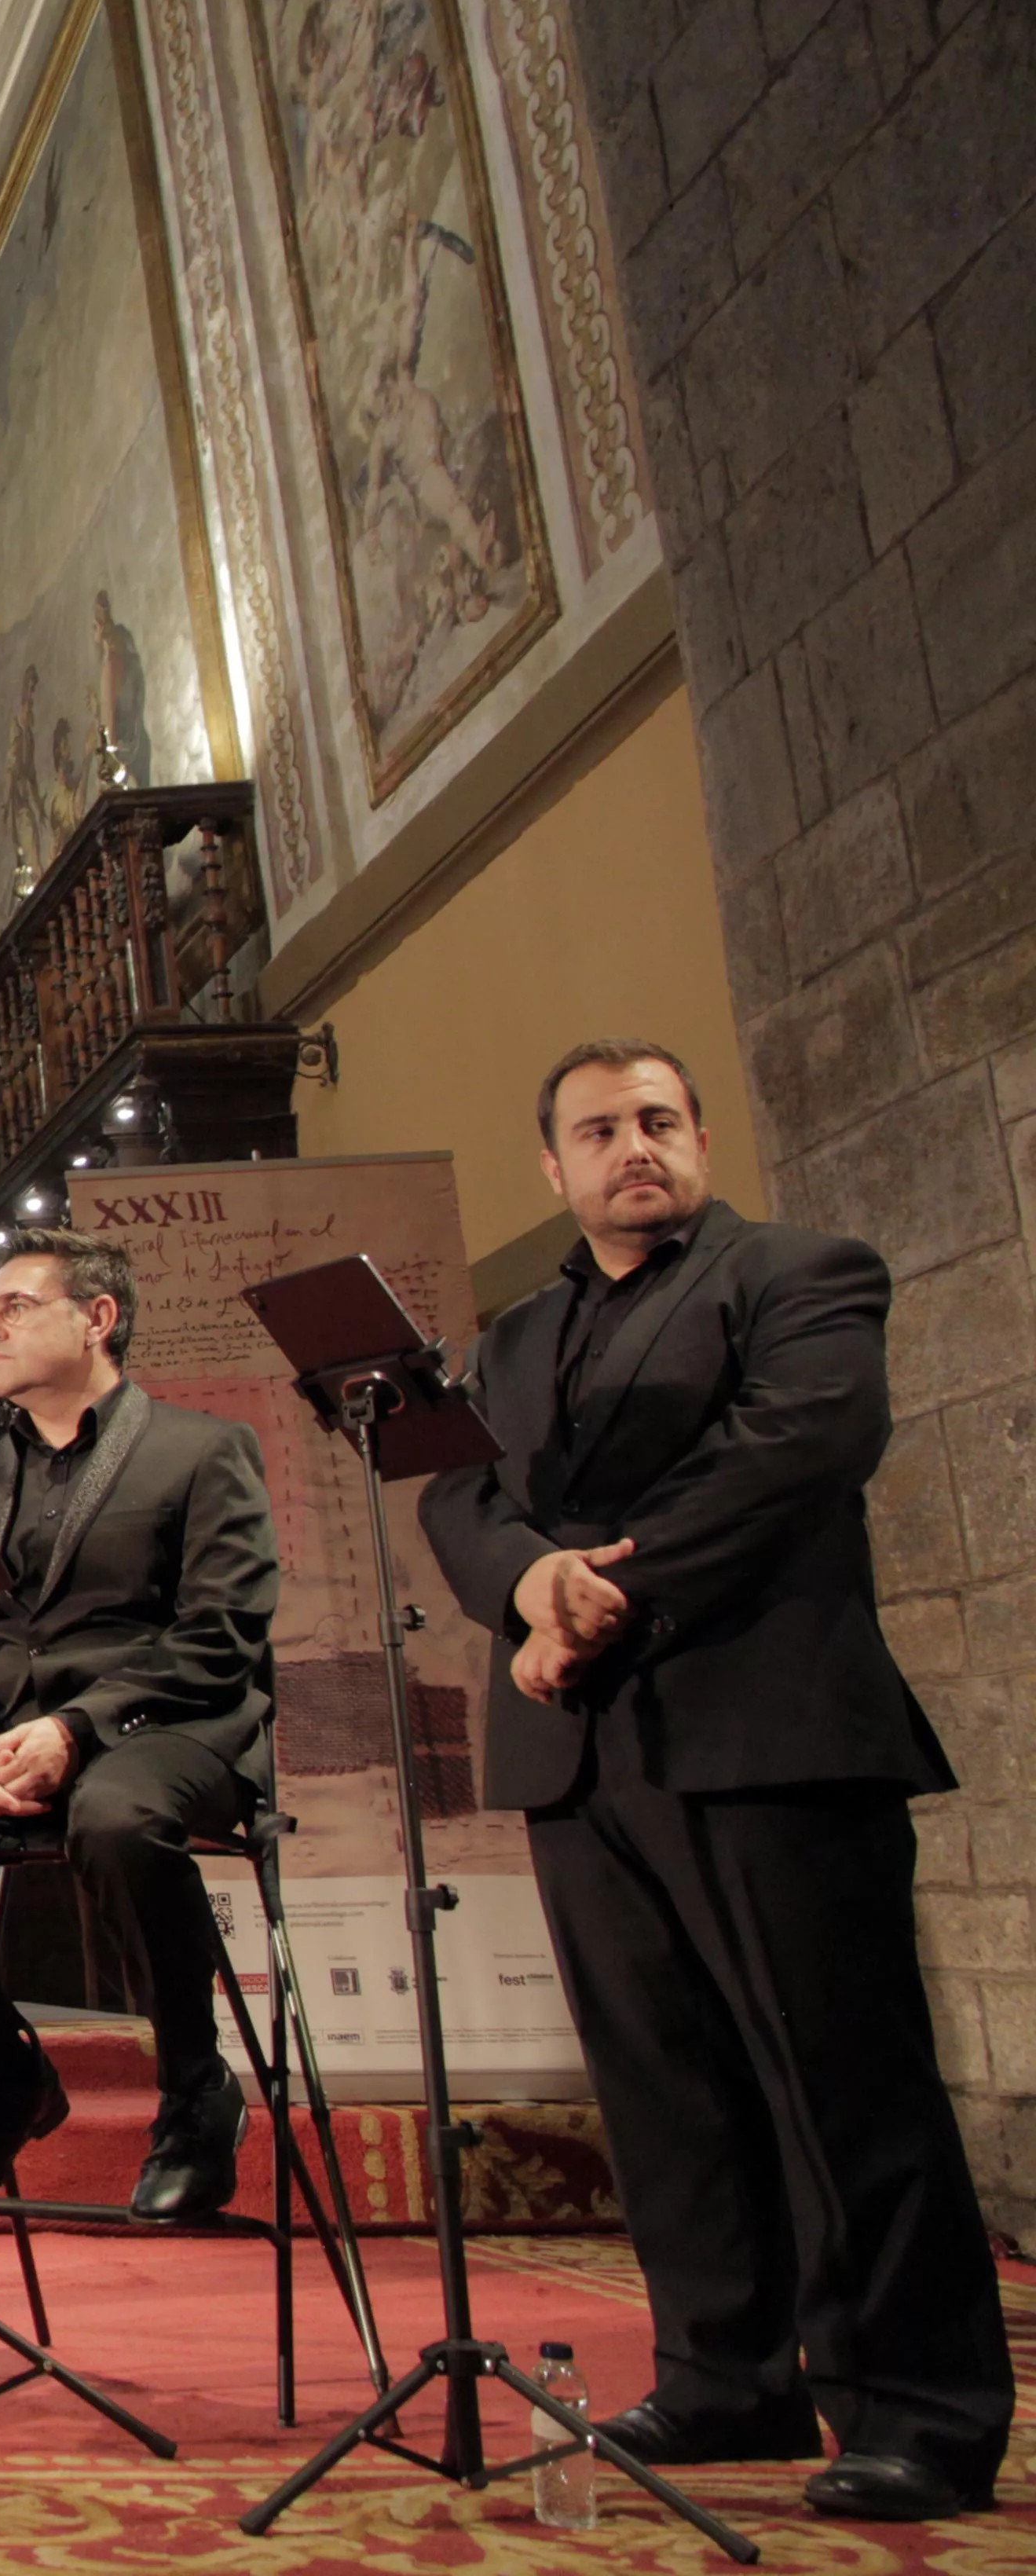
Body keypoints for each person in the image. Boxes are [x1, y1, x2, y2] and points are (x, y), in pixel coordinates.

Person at [420, 1041, 1009, 2522]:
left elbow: (796, 1448)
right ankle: (720, 2372)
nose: (635, 1146)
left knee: (836, 2077)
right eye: (598, 1129)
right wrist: (528, 1585)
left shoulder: (802, 1272)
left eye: (658, 1121)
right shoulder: (508, 1337)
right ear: (548, 1169)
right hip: (579, 1744)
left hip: (762, 1725)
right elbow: (457, 1495)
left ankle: (914, 2406)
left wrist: (593, 1598)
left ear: (696, 1137)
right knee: (662, 2084)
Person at [0, 1229, 277, 2224]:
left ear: (99, 1319)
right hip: (5, 1741)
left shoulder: (201, 1450)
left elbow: (223, 1633)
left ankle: (196, 2090)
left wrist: (77, 1727)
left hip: (164, 1731)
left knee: (117, 1818)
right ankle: (3, 2068)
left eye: (14, 1309)